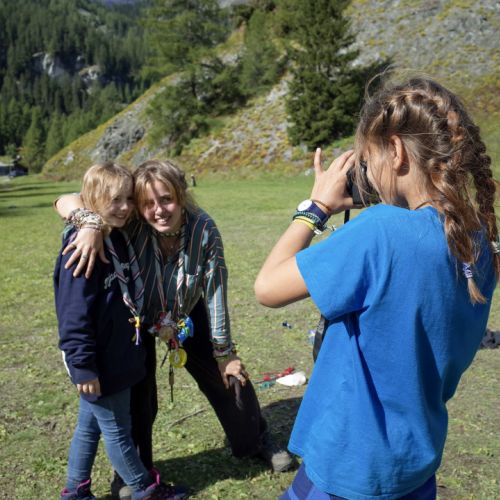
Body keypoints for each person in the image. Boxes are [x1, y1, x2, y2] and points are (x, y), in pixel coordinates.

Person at [254, 77, 498, 499]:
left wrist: (316, 208)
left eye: (367, 161)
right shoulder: (478, 242)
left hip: (348, 466)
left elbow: (267, 287)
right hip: (415, 466)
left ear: (396, 151)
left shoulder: (380, 231)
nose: (366, 175)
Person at [55, 160, 293, 498]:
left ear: (181, 195)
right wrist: (89, 223)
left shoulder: (204, 229)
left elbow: (215, 291)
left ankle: (255, 439)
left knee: (227, 376)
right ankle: (132, 474)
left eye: (166, 199)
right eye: (148, 203)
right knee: (138, 396)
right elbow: (66, 199)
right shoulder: (130, 218)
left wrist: (224, 351)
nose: (158, 210)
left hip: (185, 310)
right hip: (136, 317)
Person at [55, 163, 188, 500]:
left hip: (117, 355)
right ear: (92, 198)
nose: (126, 207)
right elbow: (73, 315)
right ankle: (145, 489)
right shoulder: (82, 248)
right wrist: (83, 366)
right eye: (115, 200)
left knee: (89, 427)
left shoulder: (116, 237)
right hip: (100, 361)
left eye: (129, 199)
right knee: (117, 430)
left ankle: (75, 490)